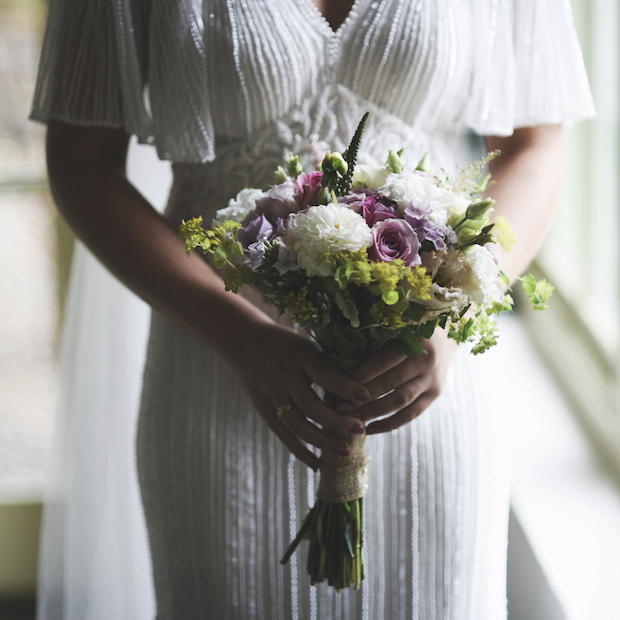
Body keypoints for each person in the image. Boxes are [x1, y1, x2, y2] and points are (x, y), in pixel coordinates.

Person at [31, 1, 594, 618]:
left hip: (424, 376)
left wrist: (450, 323)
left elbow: (535, 145)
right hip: (219, 364)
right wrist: (242, 337)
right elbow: (82, 166)